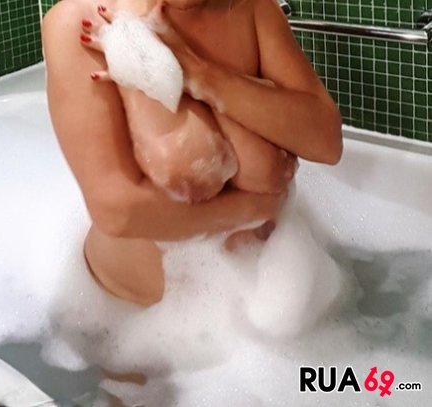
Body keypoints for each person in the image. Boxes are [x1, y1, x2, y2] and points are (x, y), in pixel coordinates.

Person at [42, 0, 342, 307]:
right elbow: (116, 211)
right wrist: (257, 207)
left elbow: (327, 143)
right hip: (126, 314)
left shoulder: (249, 8)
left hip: (265, 301)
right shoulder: (79, 20)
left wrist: (202, 76)